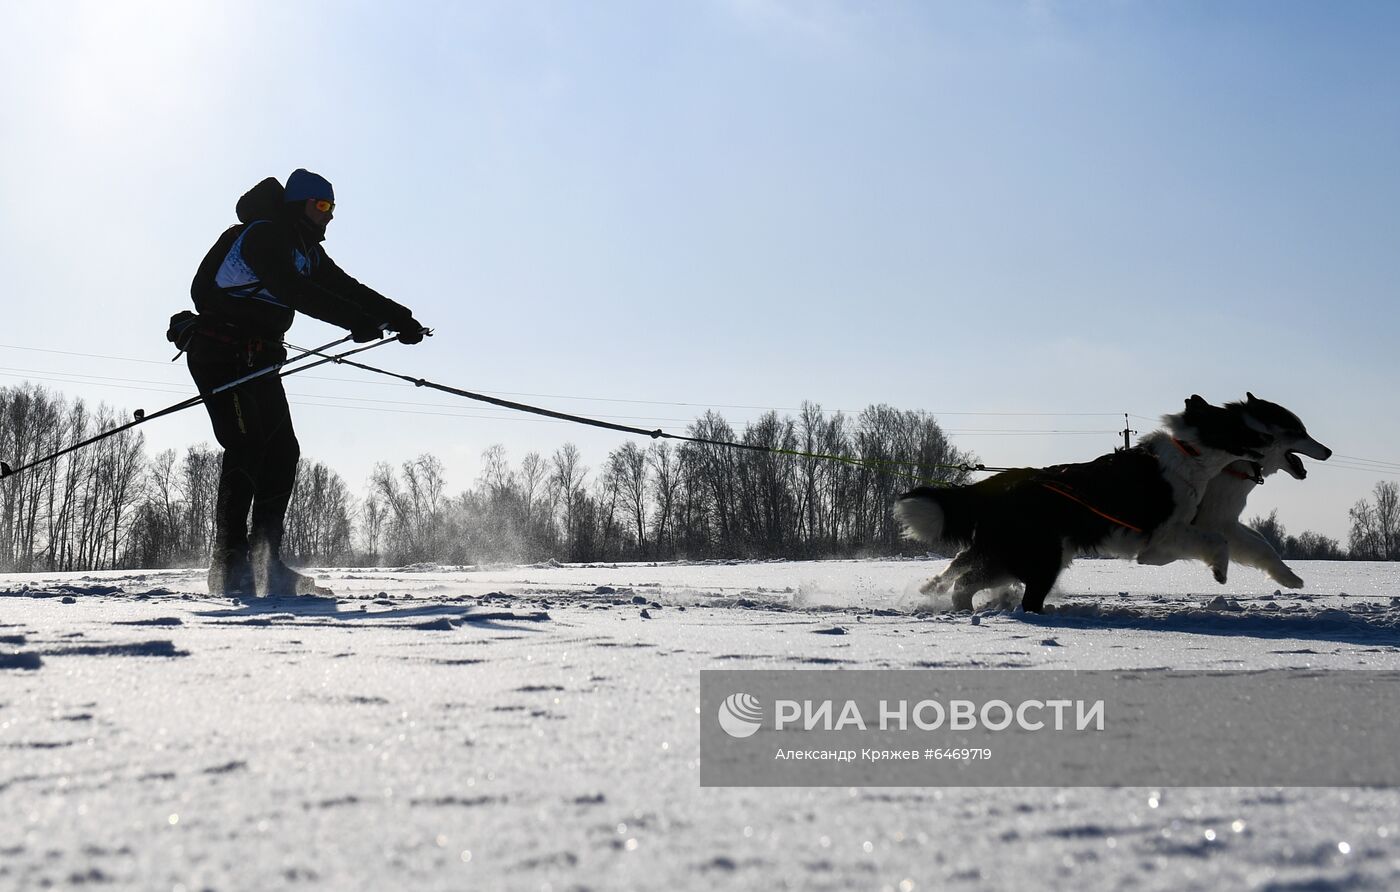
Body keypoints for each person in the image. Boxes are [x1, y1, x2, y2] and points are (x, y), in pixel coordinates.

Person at [184, 169, 425, 597]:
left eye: (333, 207)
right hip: (220, 354)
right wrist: (355, 322)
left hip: (259, 359)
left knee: (282, 451)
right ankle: (230, 564)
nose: (329, 215)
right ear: (299, 204)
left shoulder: (307, 251)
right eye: (322, 205)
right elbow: (292, 290)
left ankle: (266, 562)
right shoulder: (263, 236)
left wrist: (399, 317)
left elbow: (346, 289)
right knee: (246, 446)